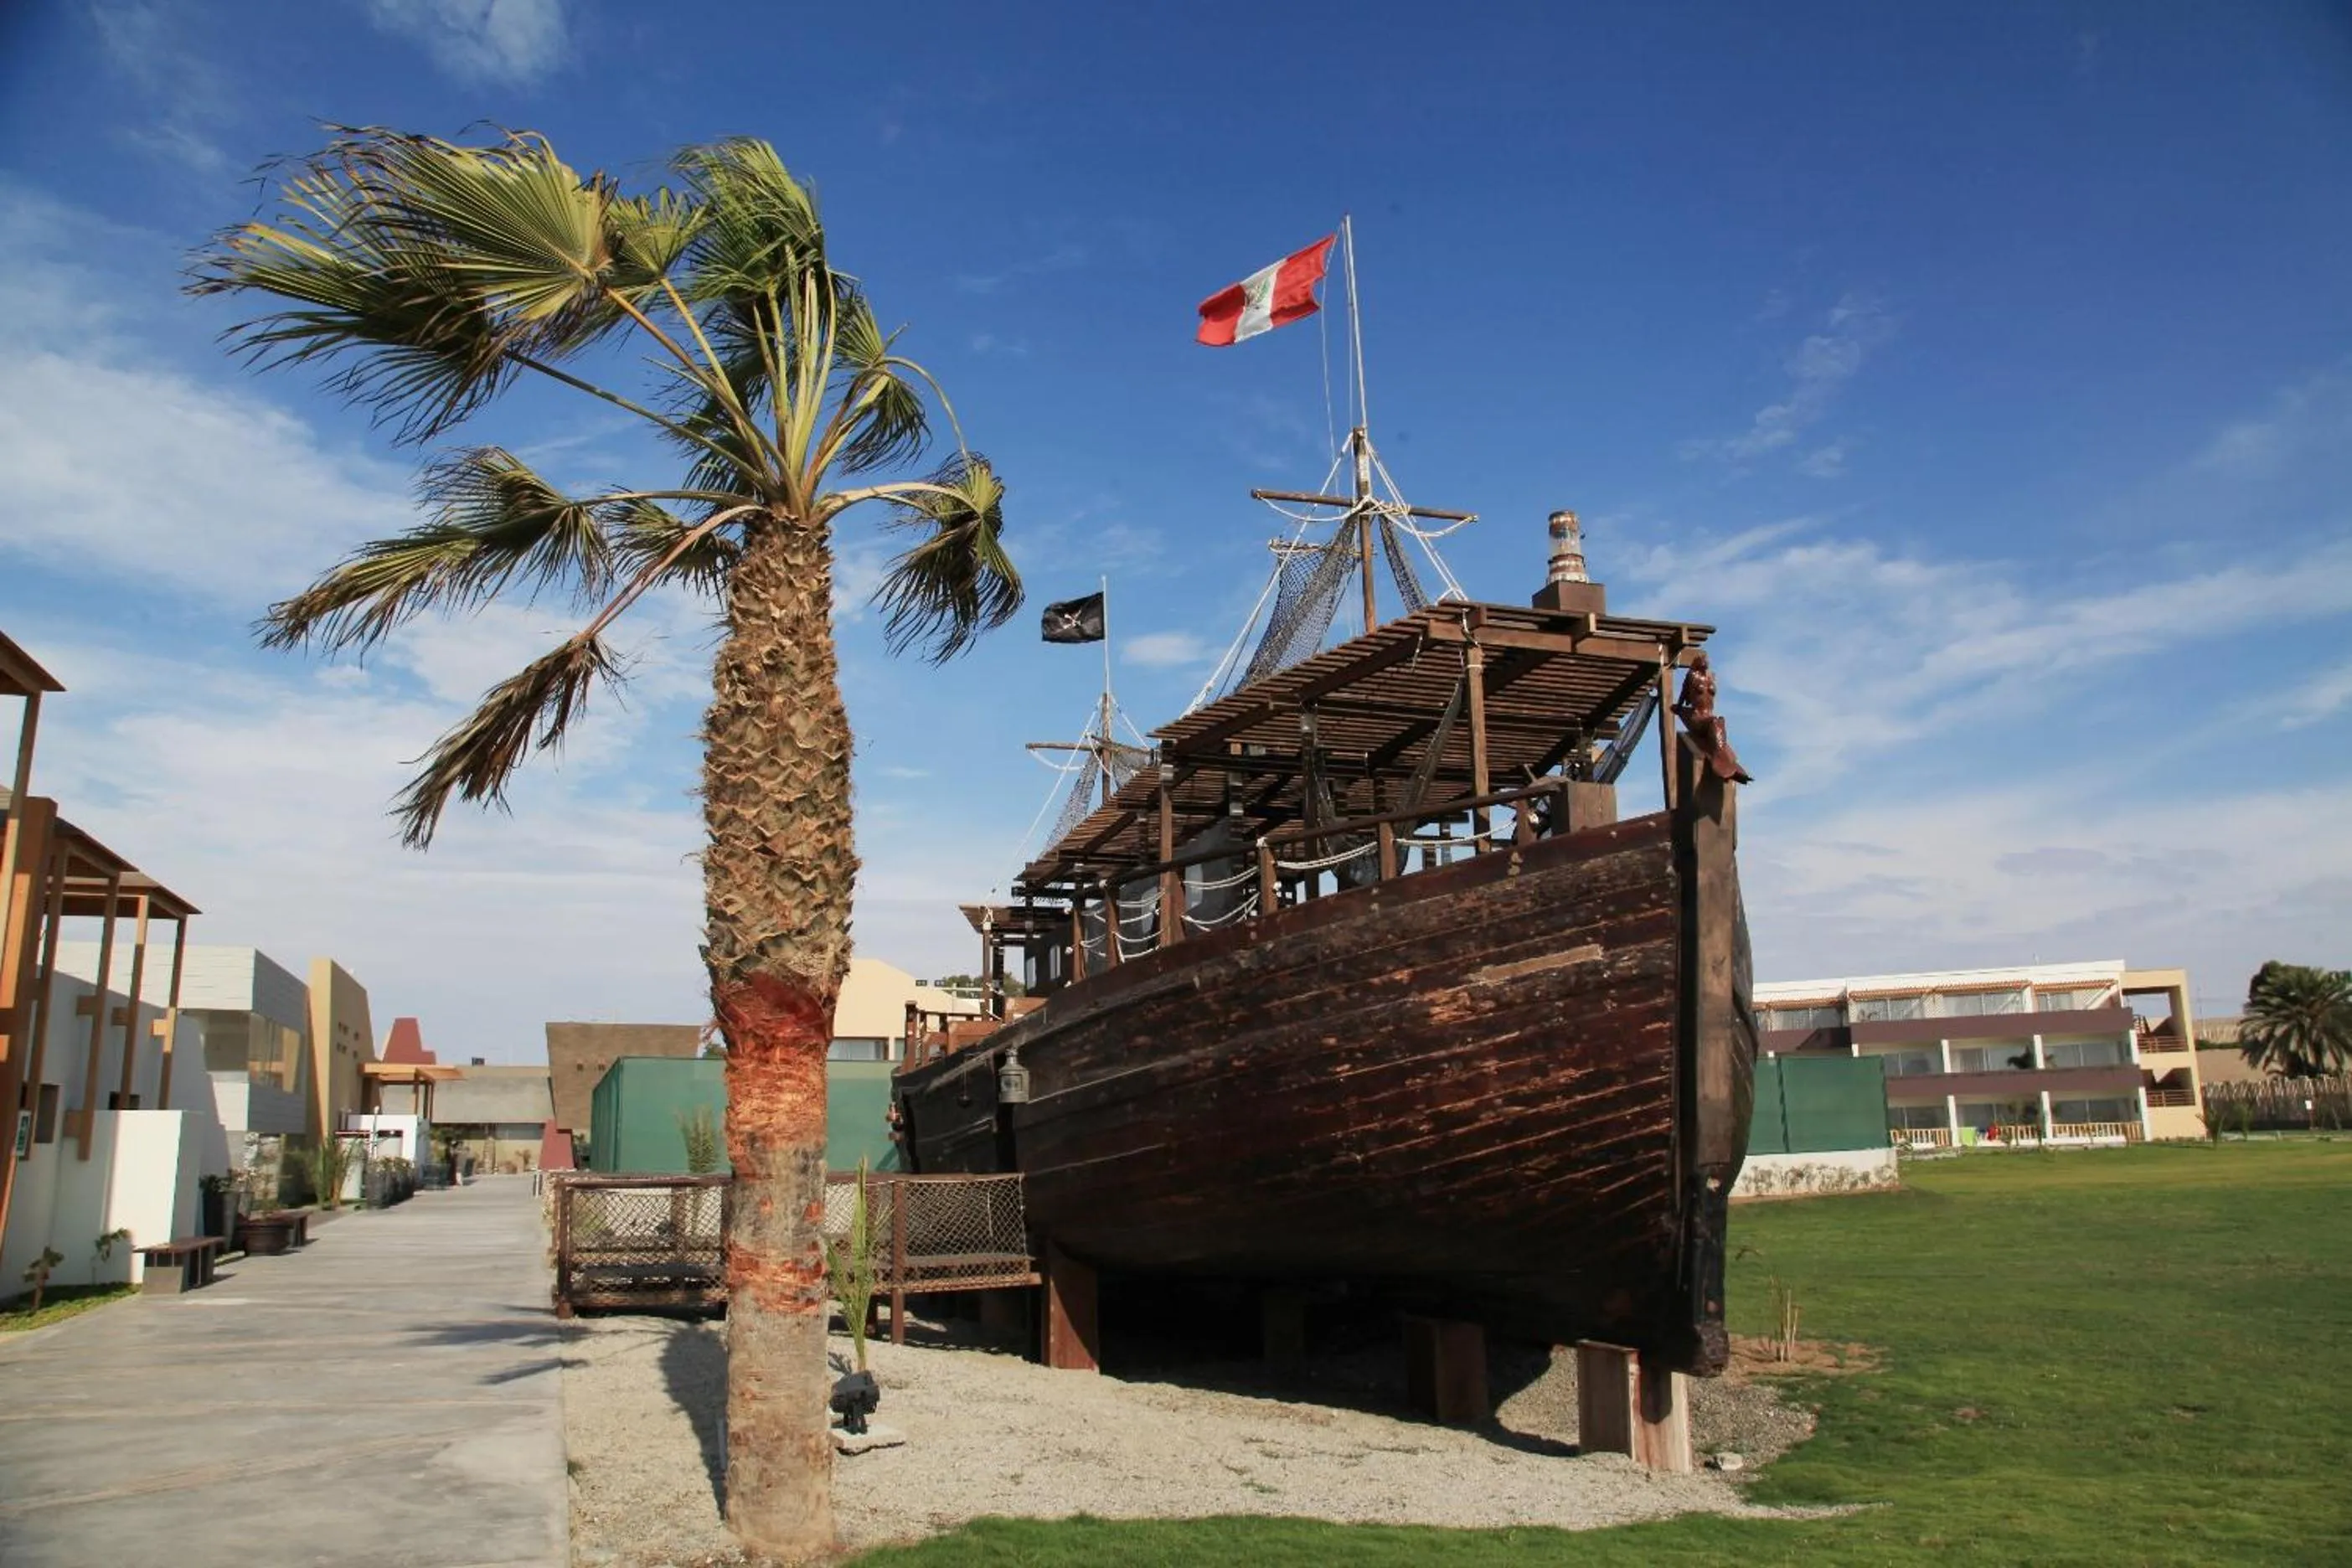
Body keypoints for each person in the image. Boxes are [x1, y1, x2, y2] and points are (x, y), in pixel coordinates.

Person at [1673, 651, 1752, 783]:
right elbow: (1683, 693)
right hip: (1697, 715)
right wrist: (1680, 708)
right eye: (1702, 661)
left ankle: (1725, 760)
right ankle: (1721, 760)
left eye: (1707, 661)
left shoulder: (1711, 677)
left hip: (1709, 714)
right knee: (1714, 723)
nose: (1706, 663)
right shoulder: (1692, 676)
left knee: (1718, 721)